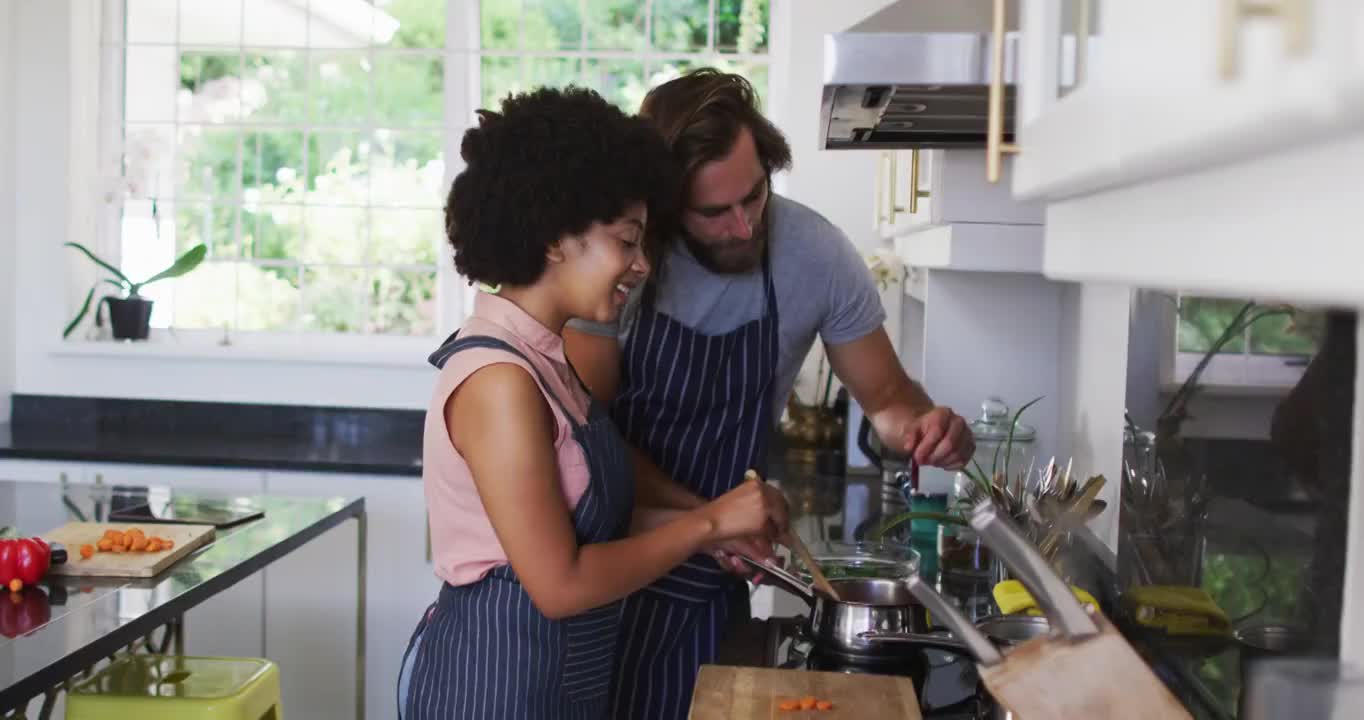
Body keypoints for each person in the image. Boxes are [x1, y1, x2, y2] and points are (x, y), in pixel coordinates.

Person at [563, 69, 977, 720]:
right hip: (603, 571)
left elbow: (890, 398)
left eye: (754, 196)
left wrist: (925, 427)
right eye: (714, 211)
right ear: (667, 206)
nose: (743, 225)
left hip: (710, 585)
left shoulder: (814, 254)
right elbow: (587, 443)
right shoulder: (622, 263)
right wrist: (711, 517)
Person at [397, 86, 790, 720]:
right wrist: (710, 523)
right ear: (556, 238)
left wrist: (720, 532)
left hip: (558, 688)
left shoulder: (550, 365)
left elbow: (591, 524)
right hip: (493, 689)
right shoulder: (499, 381)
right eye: (627, 240)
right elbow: (560, 584)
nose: (640, 265)